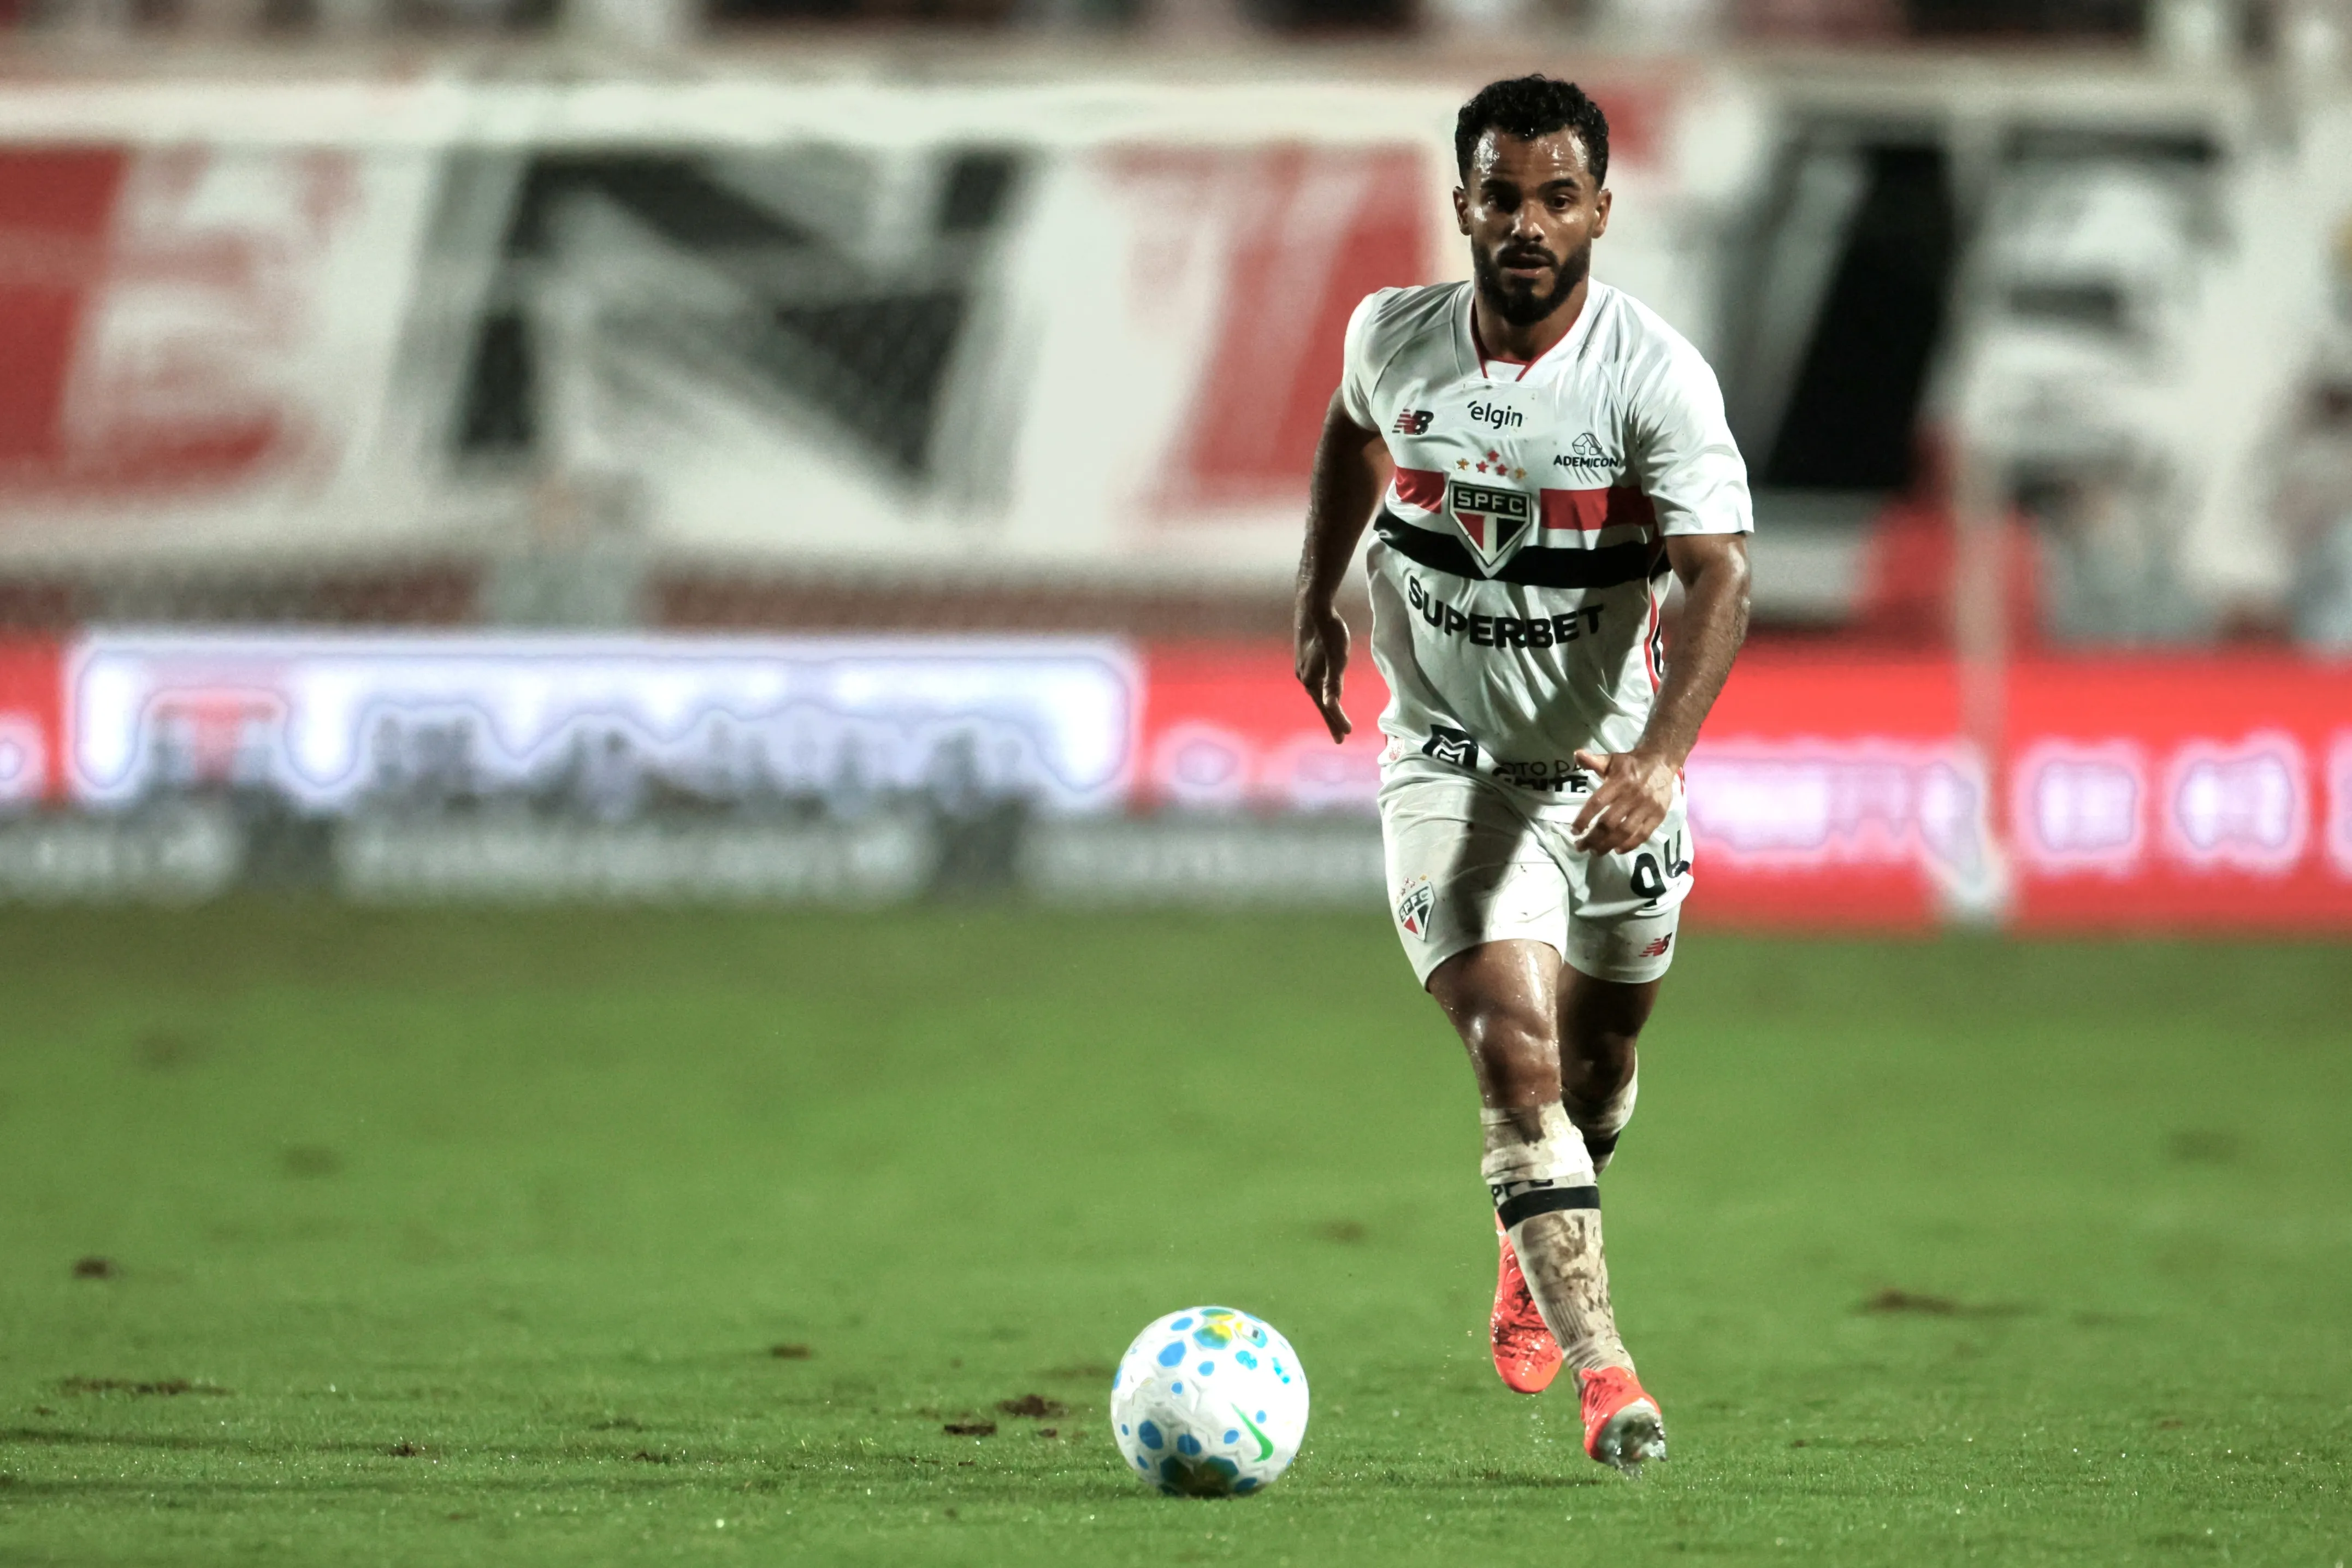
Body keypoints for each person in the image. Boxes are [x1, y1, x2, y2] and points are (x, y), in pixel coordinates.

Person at [1291, 74, 1752, 1473]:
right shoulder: (1393, 334)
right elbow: (1349, 435)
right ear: (1461, 206)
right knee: (1515, 1052)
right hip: (1444, 759)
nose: (1527, 222)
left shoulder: (1650, 376)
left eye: (1557, 196)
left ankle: (1531, 1238)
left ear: (1601, 209)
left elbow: (1718, 572)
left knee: (1601, 1066)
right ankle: (1609, 1376)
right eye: (1500, 194)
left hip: (1605, 774)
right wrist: (1317, 593)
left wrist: (1662, 761)